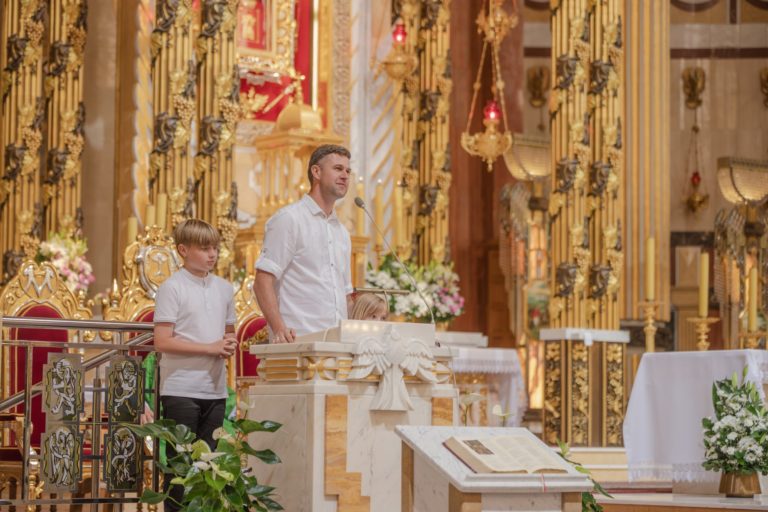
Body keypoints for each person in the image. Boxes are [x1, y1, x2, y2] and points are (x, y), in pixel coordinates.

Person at [153, 219, 237, 512]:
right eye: (204, 248)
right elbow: (162, 341)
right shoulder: (171, 288)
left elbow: (229, 333)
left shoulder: (226, 289)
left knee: (207, 469)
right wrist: (209, 348)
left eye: (215, 248)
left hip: (215, 390)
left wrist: (228, 345)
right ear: (183, 250)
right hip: (181, 389)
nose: (212, 254)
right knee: (180, 470)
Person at [254, 144, 354, 342]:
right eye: (337, 169)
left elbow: (346, 295)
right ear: (316, 171)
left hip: (335, 345)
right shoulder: (289, 220)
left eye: (348, 170)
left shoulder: (341, 232)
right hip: (298, 341)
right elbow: (262, 281)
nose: (345, 175)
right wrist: (279, 328)